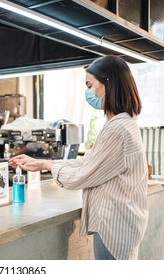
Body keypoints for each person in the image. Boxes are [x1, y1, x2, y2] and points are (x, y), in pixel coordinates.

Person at [9, 55, 148, 260]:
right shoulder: (122, 123)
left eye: (90, 85)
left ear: (108, 83)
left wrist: (48, 164)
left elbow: (82, 176)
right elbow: (90, 162)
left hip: (115, 225)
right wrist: (45, 163)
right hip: (122, 222)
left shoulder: (117, 129)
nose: (88, 92)